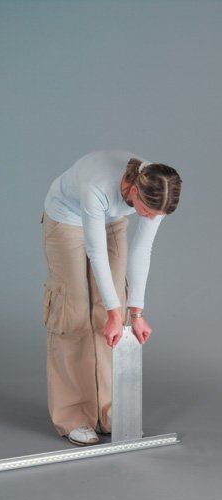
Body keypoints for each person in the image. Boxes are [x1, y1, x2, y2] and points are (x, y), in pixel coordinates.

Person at [41, 150, 182, 446]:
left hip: (111, 219)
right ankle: (73, 416)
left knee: (112, 311)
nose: (151, 218)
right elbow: (96, 253)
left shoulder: (158, 191)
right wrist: (115, 313)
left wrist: (135, 314)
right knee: (74, 310)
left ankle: (108, 412)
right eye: (147, 211)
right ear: (134, 191)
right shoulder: (97, 185)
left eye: (157, 215)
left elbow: (142, 250)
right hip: (66, 218)